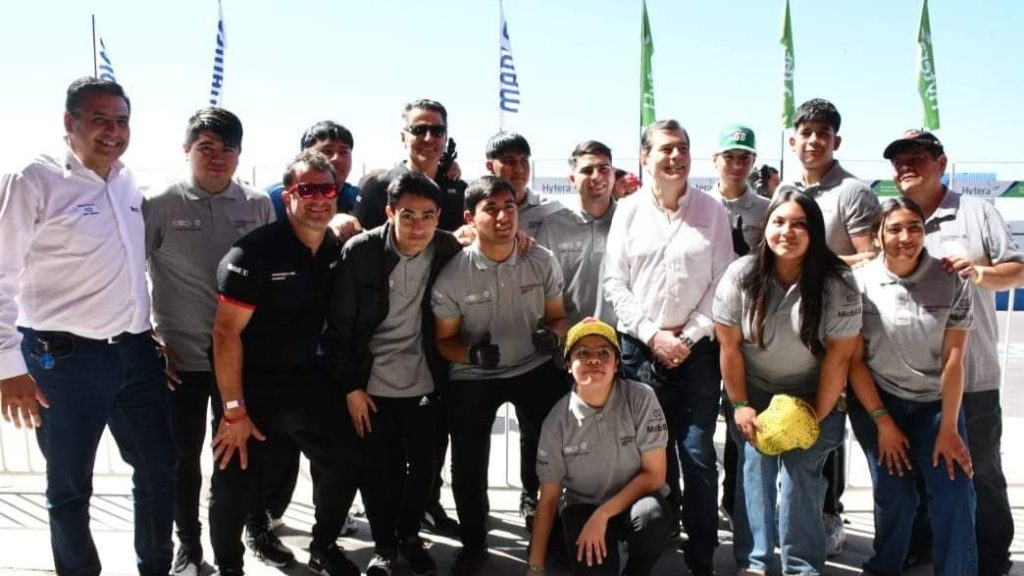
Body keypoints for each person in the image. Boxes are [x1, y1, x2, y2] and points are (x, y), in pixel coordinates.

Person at [0, 77, 176, 576]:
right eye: (100, 119)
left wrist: (149, 329)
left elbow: (125, 268)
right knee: (70, 485)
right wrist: (7, 366)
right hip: (64, 361)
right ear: (69, 122)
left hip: (136, 353)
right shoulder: (32, 179)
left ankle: (156, 568)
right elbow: (1, 275)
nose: (113, 131)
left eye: (121, 120)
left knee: (160, 468)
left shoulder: (126, 182)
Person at [208, 150, 361, 576]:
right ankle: (228, 568)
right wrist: (233, 410)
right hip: (248, 385)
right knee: (233, 480)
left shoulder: (335, 247)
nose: (317, 198)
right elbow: (224, 334)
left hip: (306, 380)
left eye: (325, 188)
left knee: (346, 459)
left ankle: (324, 546)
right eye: (305, 189)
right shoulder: (253, 253)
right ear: (288, 195)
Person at [143, 106, 275, 576]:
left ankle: (230, 555)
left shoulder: (257, 203)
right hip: (180, 362)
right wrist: (147, 342)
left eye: (228, 149)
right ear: (187, 151)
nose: (218, 157)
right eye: (206, 148)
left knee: (233, 464)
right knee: (182, 462)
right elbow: (129, 274)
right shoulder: (159, 204)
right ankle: (188, 545)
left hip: (237, 363)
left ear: (240, 154)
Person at [886, 129, 1024, 576]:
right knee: (922, 475)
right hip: (911, 380)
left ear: (941, 163)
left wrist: (980, 273)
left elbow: (1018, 271)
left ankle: (992, 560)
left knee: (980, 471)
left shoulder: (976, 211)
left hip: (973, 373)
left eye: (917, 157)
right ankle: (923, 547)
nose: (906, 166)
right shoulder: (890, 218)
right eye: (899, 160)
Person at [603, 119, 733, 576]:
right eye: (666, 149)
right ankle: (656, 545)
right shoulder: (628, 211)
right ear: (645, 157)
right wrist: (652, 334)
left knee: (697, 455)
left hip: (697, 353)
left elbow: (722, 282)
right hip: (641, 349)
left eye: (683, 148)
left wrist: (688, 335)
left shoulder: (712, 211)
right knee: (652, 457)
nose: (676, 157)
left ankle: (702, 558)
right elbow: (615, 283)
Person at [713, 190, 860, 575]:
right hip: (755, 389)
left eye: (799, 224)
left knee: (801, 476)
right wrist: (741, 404)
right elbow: (729, 347)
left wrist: (812, 413)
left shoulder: (838, 282)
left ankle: (801, 565)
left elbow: (839, 358)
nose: (787, 231)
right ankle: (755, 562)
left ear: (814, 231)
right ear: (766, 228)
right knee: (754, 467)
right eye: (779, 222)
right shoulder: (741, 275)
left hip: (815, 392)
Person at [323, 171, 463, 576]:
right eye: (408, 215)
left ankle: (409, 537)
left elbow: (489, 252)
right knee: (378, 470)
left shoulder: (447, 248)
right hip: (370, 381)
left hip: (424, 379)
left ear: (439, 216)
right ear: (389, 212)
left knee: (424, 467)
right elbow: (339, 329)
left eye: (427, 216)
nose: (418, 226)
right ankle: (384, 545)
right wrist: (351, 386)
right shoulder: (361, 251)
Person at [432, 175, 568, 575]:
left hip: (533, 364)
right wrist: (471, 352)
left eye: (509, 207)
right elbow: (444, 341)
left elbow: (559, 316)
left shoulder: (541, 259)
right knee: (469, 460)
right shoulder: (453, 274)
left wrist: (553, 335)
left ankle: (548, 526)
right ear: (470, 218)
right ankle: (474, 542)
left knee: (550, 450)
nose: (503, 216)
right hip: (475, 373)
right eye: (490, 208)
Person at [847, 197, 977, 576]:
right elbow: (854, 361)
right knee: (895, 495)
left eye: (915, 227)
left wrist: (950, 428)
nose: (906, 237)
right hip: (879, 400)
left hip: (936, 406)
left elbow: (955, 358)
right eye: (894, 228)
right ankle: (886, 566)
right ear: (878, 235)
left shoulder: (952, 279)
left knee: (954, 492)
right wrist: (884, 424)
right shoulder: (859, 283)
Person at [777, 98, 881, 553]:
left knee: (827, 425)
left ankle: (828, 515)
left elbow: (873, 256)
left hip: (838, 332)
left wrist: (813, 262)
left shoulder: (853, 192)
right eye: (807, 132)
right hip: (790, 331)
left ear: (835, 140)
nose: (815, 140)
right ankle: (797, 511)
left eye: (824, 133)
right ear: (793, 140)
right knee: (792, 421)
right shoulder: (785, 188)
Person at [528, 318, 671, 576]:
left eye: (604, 353)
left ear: (617, 364)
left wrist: (604, 514)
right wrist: (535, 568)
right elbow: (548, 500)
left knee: (653, 519)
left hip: (634, 499)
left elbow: (655, 475)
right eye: (583, 353)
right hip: (582, 505)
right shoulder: (556, 422)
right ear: (568, 366)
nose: (594, 359)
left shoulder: (642, 398)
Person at [707, 124, 770, 543]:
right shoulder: (697, 204)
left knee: (739, 424)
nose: (737, 163)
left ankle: (735, 504)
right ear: (715, 160)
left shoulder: (767, 209)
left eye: (745, 157)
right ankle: (684, 505)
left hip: (744, 334)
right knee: (691, 430)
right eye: (730, 155)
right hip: (698, 333)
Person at [536, 140, 618, 327]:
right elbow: (540, 288)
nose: (596, 176)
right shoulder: (553, 226)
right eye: (587, 170)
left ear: (613, 174)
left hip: (627, 344)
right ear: (571, 179)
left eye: (604, 169)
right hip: (570, 343)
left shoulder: (632, 221)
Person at [354, 99, 466, 233]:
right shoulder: (378, 187)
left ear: (446, 137)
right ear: (403, 137)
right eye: (419, 130)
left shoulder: (460, 191)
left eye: (437, 131)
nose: (428, 138)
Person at [266, 120, 362, 244]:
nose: (337, 158)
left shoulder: (359, 197)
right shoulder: (272, 199)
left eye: (344, 152)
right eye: (327, 151)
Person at [485, 131, 562, 238]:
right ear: (490, 166)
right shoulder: (478, 208)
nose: (519, 169)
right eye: (509, 161)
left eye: (524, 160)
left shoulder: (551, 208)